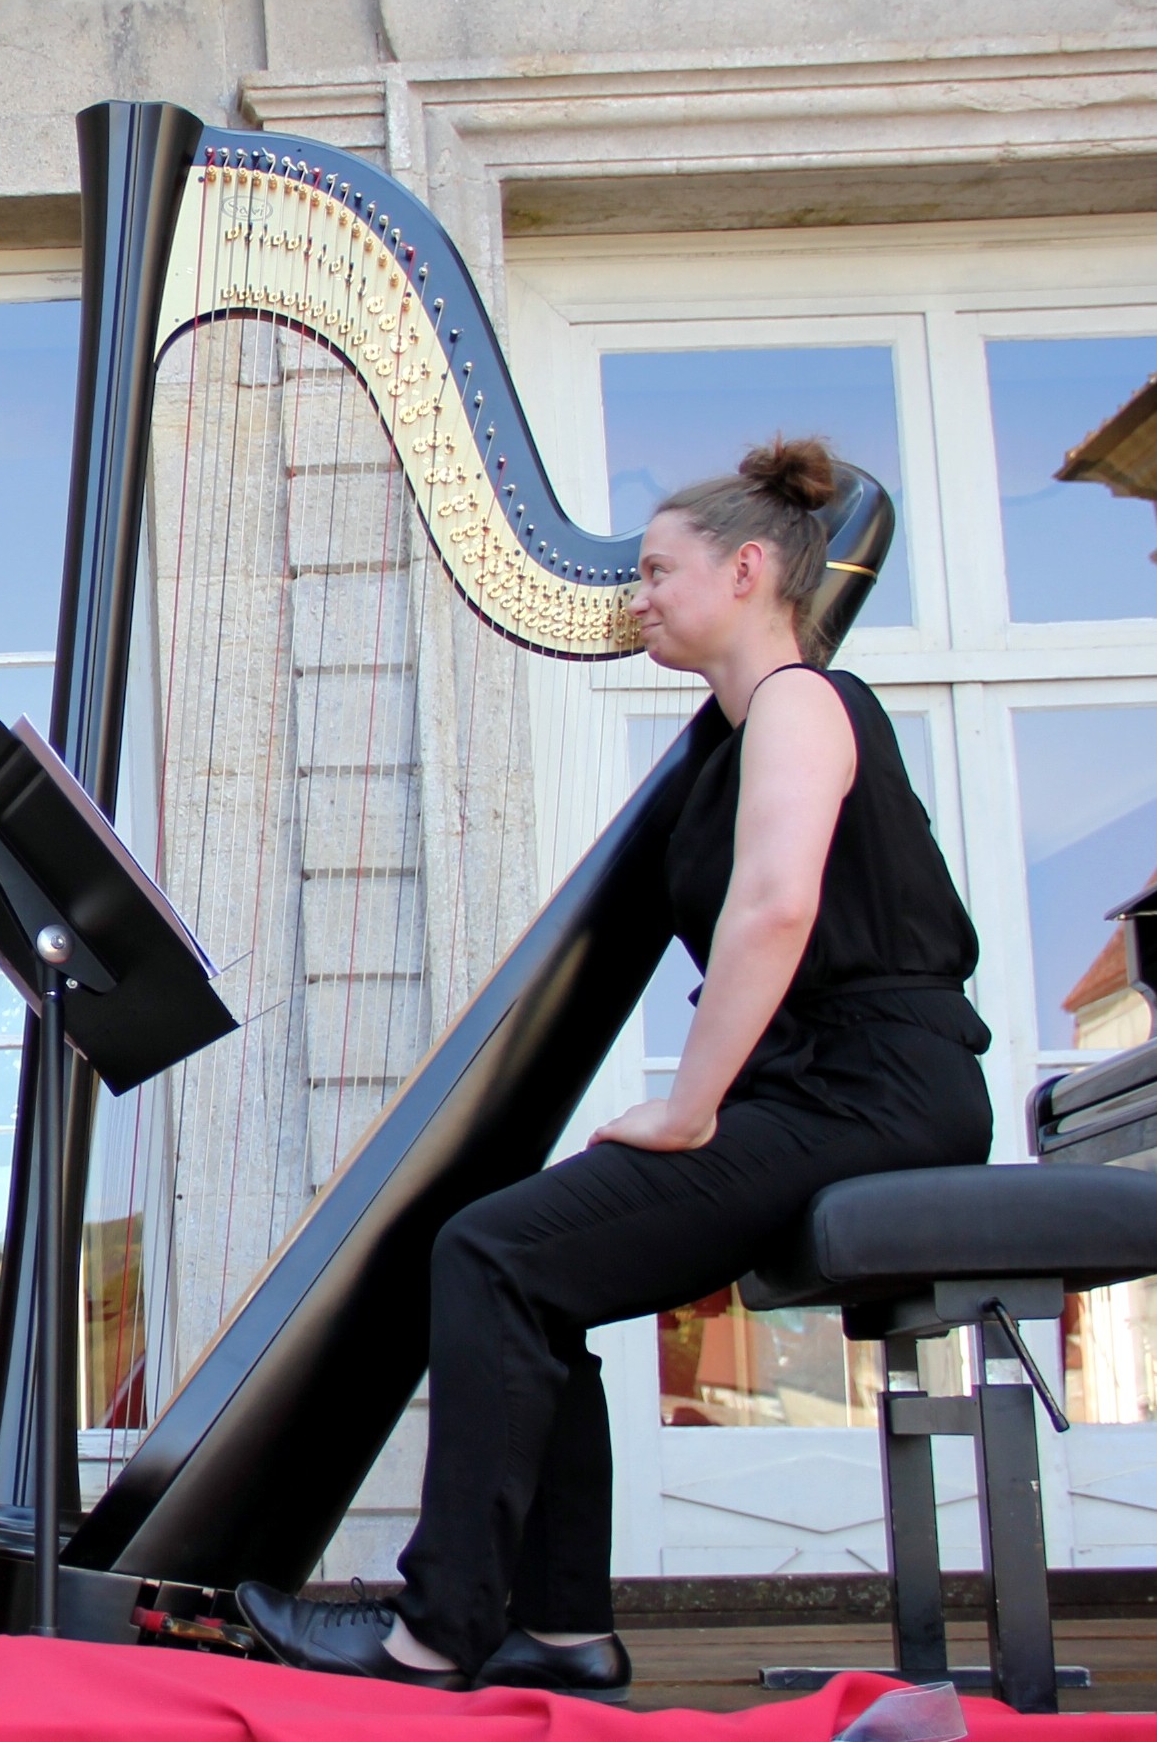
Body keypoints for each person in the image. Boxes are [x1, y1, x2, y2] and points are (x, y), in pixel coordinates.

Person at [237, 437, 991, 1700]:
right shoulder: (735, 737)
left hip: (875, 1093)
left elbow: (773, 910)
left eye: (657, 570)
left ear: (749, 569)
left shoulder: (804, 702)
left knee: (488, 1250)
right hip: (831, 1090)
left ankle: (435, 1637)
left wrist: (692, 1106)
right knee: (532, 1268)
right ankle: (564, 1627)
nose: (634, 594)